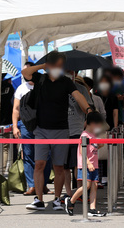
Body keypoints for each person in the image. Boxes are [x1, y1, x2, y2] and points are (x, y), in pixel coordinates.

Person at [21, 51, 93, 212]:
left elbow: (78, 96)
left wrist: (88, 110)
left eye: (61, 65)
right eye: (56, 65)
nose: (59, 68)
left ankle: (57, 199)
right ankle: (39, 199)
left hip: (61, 129)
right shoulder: (40, 79)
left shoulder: (66, 82)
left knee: (59, 166)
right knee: (39, 163)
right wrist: (43, 66)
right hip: (41, 129)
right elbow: (25, 73)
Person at [12, 63, 51, 196]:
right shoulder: (21, 88)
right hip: (26, 125)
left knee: (46, 155)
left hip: (44, 125)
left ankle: (43, 184)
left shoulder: (44, 85)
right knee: (28, 155)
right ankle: (32, 185)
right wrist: (15, 126)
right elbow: (16, 109)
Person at [64, 112, 106, 218]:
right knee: (86, 185)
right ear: (91, 123)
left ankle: (92, 208)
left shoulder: (94, 135)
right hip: (86, 164)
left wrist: (100, 141)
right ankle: (71, 200)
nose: (99, 127)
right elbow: (82, 151)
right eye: (98, 124)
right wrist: (88, 163)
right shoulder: (84, 135)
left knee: (94, 186)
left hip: (94, 163)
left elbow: (97, 146)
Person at [64, 73, 94, 198]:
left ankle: (80, 191)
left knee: (78, 164)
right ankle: (68, 192)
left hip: (77, 130)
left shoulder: (81, 89)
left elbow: (88, 109)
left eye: (71, 71)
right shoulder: (59, 87)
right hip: (62, 131)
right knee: (64, 165)